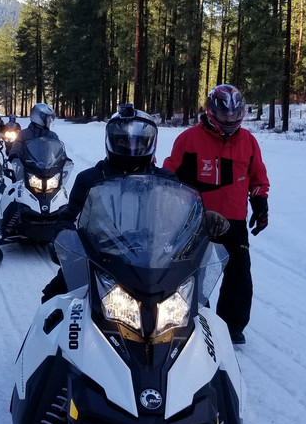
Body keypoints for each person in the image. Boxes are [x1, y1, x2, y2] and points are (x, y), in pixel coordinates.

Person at [40, 105, 226, 302]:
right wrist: (64, 236)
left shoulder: (165, 181)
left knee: (197, 311)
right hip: (101, 260)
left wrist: (203, 220)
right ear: (110, 140)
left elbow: (181, 217)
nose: (130, 146)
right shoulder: (90, 179)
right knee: (52, 302)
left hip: (156, 266)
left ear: (150, 142)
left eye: (138, 142)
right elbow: (70, 216)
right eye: (123, 141)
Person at [162, 85, 269, 345]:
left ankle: (231, 327)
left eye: (235, 114)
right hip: (197, 219)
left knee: (240, 273)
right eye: (224, 114)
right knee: (192, 272)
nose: (230, 119)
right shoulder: (189, 139)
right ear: (211, 111)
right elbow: (169, 174)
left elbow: (257, 178)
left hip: (234, 221)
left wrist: (260, 203)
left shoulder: (248, 142)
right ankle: (195, 317)